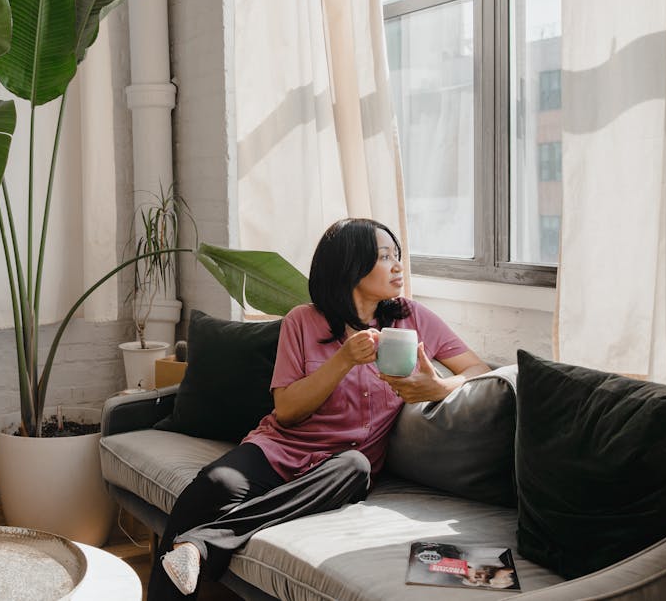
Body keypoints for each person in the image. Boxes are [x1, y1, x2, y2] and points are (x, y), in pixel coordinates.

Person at [150, 218, 491, 598]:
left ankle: (201, 545)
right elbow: (287, 411)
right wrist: (343, 359)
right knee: (215, 483)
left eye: (397, 255)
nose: (397, 266)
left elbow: (479, 369)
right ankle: (172, 579)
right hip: (279, 448)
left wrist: (438, 387)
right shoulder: (302, 321)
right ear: (349, 265)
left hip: (341, 465)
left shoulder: (411, 318)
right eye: (384, 257)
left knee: (356, 468)